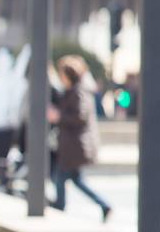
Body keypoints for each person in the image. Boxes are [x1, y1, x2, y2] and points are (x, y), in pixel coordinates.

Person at [48, 56, 112, 221]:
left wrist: (58, 116)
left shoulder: (78, 92)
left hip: (75, 145)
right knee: (76, 181)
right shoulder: (73, 92)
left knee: (60, 177)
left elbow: (79, 116)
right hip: (73, 145)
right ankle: (103, 204)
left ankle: (60, 206)